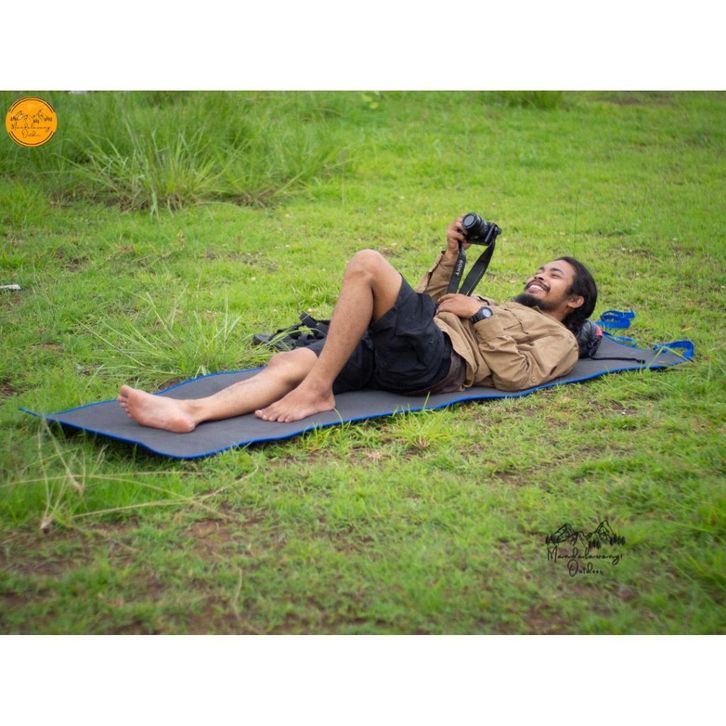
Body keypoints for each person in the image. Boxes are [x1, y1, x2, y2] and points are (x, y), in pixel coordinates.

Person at [117, 216, 597, 432]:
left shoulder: (560, 339)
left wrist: (482, 315)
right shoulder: (500, 303)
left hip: (439, 363)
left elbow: (517, 376)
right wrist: (453, 254)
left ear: (574, 301)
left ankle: (317, 391)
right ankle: (191, 411)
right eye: (540, 269)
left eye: (554, 275)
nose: (540, 275)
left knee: (367, 264)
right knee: (288, 362)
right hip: (410, 349)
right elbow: (427, 306)